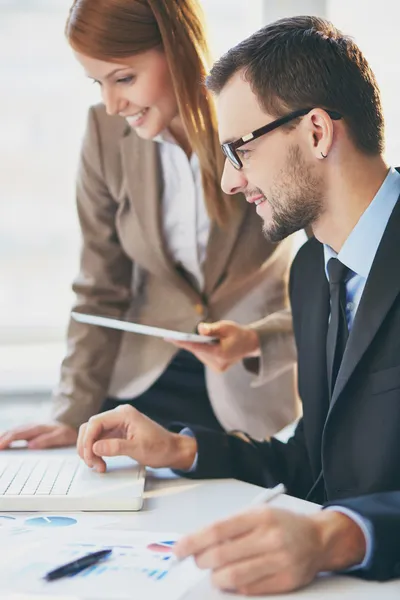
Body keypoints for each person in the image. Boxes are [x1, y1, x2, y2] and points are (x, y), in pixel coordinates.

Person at [74, 15, 400, 595]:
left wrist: (339, 536)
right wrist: (179, 447)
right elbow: (312, 465)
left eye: (239, 150)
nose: (228, 181)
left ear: (317, 132)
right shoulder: (313, 272)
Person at [0, 0, 300, 452]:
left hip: (248, 386)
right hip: (143, 382)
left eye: (124, 79)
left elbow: (333, 280)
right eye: (98, 83)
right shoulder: (104, 134)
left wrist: (260, 339)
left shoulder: (256, 117)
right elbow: (101, 288)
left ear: (177, 49)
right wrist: (70, 413)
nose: (112, 103)